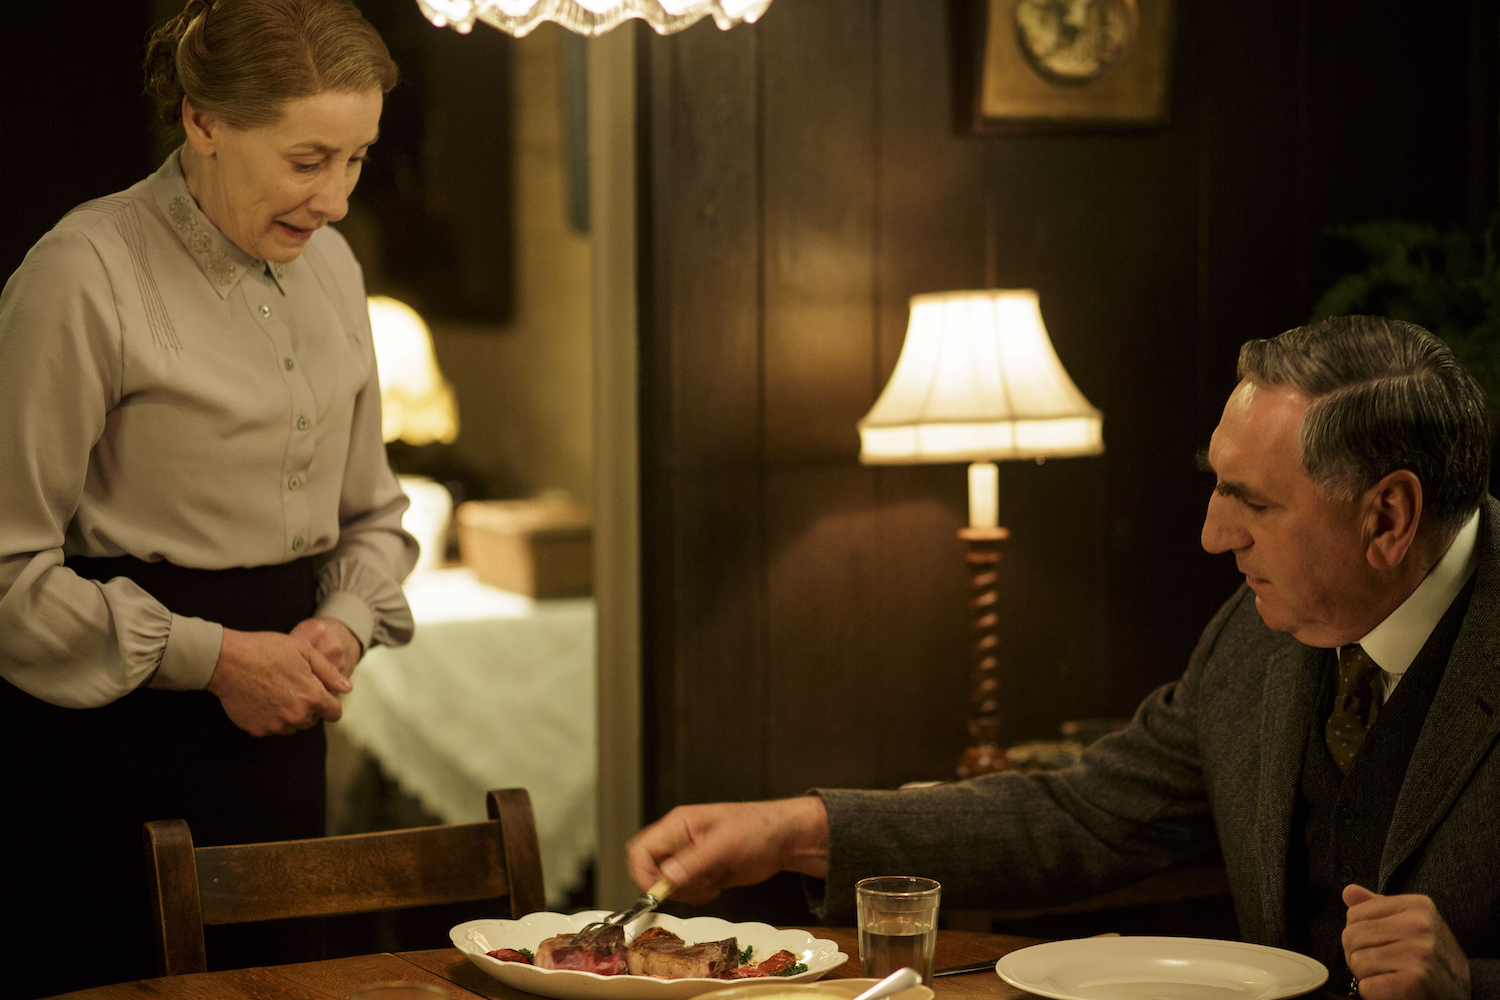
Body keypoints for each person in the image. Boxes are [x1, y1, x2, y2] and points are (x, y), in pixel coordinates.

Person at [627, 316, 1497, 1000]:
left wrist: (1470, 985)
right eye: (1216, 483)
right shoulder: (1257, 635)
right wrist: (795, 832)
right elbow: (1086, 815)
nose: (1211, 534)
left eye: (1251, 502)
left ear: (1387, 519)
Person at [0, 1, 416, 995]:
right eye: (307, 159)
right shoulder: (81, 273)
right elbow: (6, 576)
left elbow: (371, 513)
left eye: (357, 159)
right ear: (202, 122)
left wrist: (346, 623)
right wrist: (218, 658)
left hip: (285, 745)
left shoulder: (337, 268)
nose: (338, 200)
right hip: (112, 747)